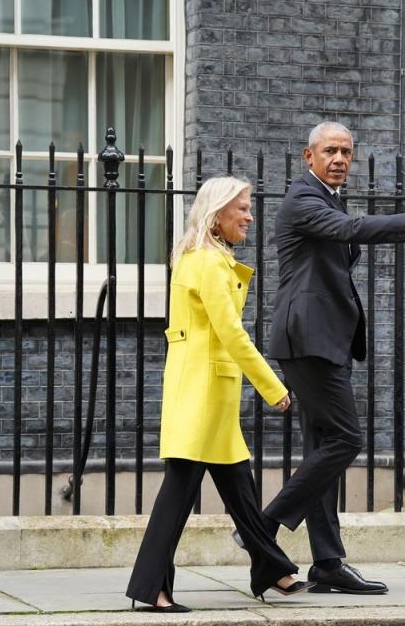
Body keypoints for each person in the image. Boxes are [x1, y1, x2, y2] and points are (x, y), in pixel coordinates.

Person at [235, 121, 405, 594]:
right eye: (330, 151)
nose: (340, 159)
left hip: (327, 340)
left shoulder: (328, 197)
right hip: (307, 338)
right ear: (309, 157)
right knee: (347, 438)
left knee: (324, 449)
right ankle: (261, 528)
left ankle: (327, 563)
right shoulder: (303, 199)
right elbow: (351, 229)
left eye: (347, 151)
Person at [126, 177, 314, 612]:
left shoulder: (198, 258)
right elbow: (231, 333)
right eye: (242, 208)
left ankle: (273, 571)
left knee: (240, 490)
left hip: (207, 388)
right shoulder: (209, 264)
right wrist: (272, 387)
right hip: (204, 392)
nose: (250, 215)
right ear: (217, 215)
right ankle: (150, 587)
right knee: (178, 494)